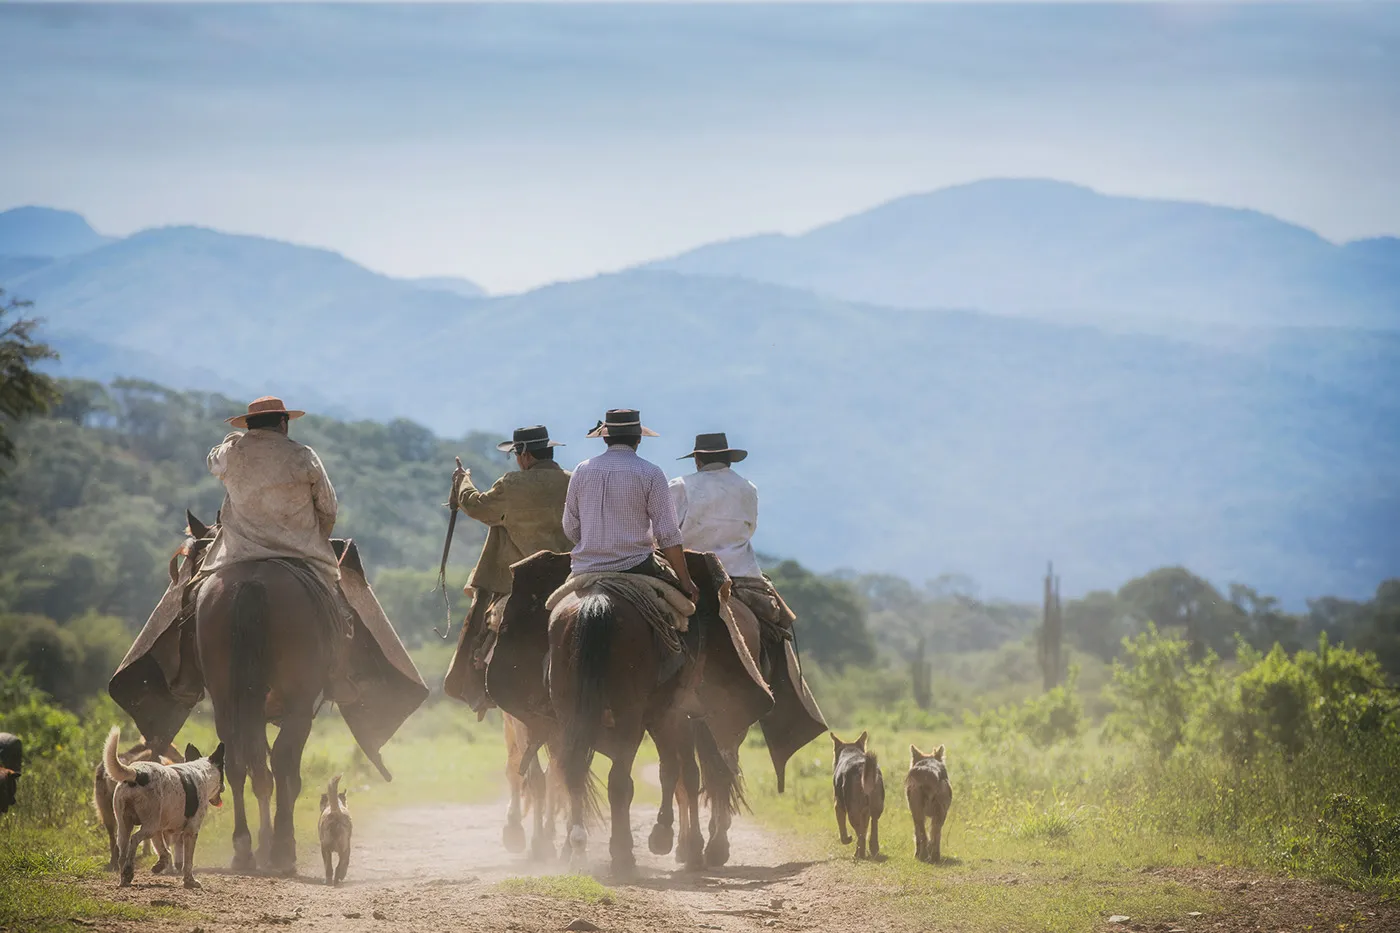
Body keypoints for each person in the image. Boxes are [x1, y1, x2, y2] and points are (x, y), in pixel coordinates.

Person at [200, 396, 356, 701]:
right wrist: (315, 536)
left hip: (238, 554)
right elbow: (328, 508)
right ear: (283, 423)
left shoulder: (231, 452)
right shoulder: (303, 455)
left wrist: (234, 440)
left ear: (248, 426)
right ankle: (338, 675)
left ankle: (184, 675)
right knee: (339, 609)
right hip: (299, 554)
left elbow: (212, 461)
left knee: (191, 597)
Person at [443, 425, 573, 708]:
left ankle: (482, 683)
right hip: (571, 579)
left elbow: (475, 505)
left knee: (485, 628)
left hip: (526, 583)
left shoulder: (512, 484)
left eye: (516, 454)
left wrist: (463, 481)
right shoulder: (573, 481)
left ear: (525, 455)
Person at [670, 432, 794, 646]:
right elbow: (750, 529)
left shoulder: (679, 486)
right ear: (728, 460)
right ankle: (787, 676)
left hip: (691, 576)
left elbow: (665, 534)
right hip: (741, 575)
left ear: (697, 460)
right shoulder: (748, 488)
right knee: (776, 629)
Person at [563, 409, 698, 603]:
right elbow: (668, 534)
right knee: (682, 613)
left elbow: (571, 528)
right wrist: (686, 581)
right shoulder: (651, 472)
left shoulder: (581, 470)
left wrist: (594, 544)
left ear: (604, 439)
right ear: (639, 438)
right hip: (636, 565)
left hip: (585, 567)